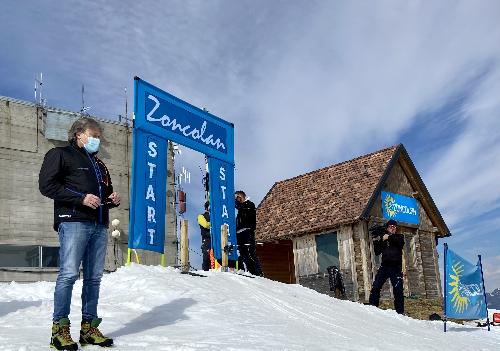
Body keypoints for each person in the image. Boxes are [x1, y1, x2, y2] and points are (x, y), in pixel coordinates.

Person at [39, 117, 120, 350]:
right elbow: (47, 185)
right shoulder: (60, 154)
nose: (97, 139)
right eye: (93, 135)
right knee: (69, 274)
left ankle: (88, 329)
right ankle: (59, 330)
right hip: (73, 221)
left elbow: (102, 196)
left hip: (99, 224)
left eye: (99, 136)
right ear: (78, 134)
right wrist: (81, 198)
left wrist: (111, 199)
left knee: (94, 278)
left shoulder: (99, 164)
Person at [368, 219, 405, 314]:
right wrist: (378, 240)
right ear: (387, 227)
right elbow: (377, 252)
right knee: (376, 287)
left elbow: (399, 243)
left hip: (396, 268)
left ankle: (400, 313)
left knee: (398, 291)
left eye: (394, 227)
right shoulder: (384, 238)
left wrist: (387, 237)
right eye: (390, 226)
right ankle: (372, 308)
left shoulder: (399, 237)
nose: (392, 228)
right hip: (384, 267)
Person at [235, 190, 262, 276]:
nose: (237, 199)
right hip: (239, 232)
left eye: (238, 197)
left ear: (242, 197)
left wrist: (236, 203)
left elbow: (243, 208)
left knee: (250, 253)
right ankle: (251, 272)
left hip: (247, 231)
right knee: (243, 254)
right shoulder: (241, 208)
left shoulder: (249, 204)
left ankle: (258, 272)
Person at [197, 201, 211, 271]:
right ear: (207, 207)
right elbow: (205, 225)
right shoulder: (201, 216)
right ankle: (205, 272)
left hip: (215, 239)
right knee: (206, 257)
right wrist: (214, 224)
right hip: (206, 239)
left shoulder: (215, 216)